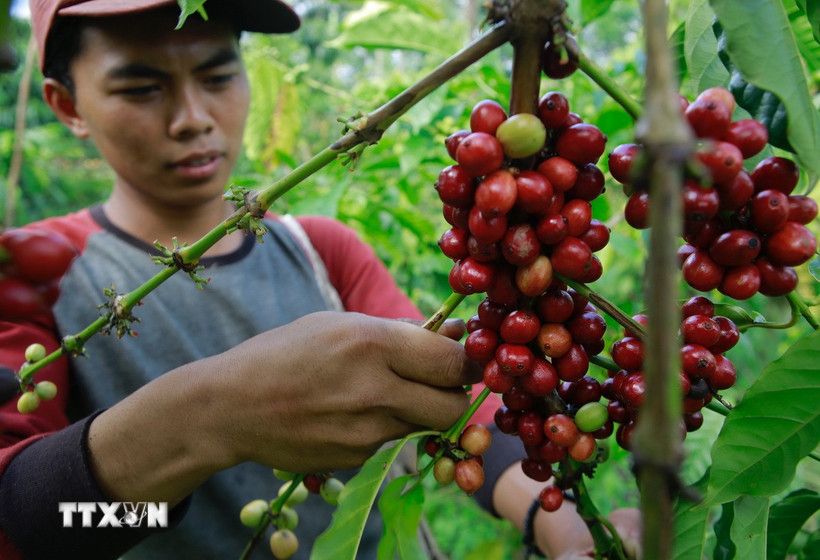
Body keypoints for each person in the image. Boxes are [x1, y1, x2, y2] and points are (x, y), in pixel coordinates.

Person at [0, 1, 640, 558]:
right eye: (142, 88)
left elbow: (458, 393)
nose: (192, 117)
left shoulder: (320, 250)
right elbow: (21, 526)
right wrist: (206, 421)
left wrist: (556, 524)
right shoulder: (35, 273)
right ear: (67, 105)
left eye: (217, 75)